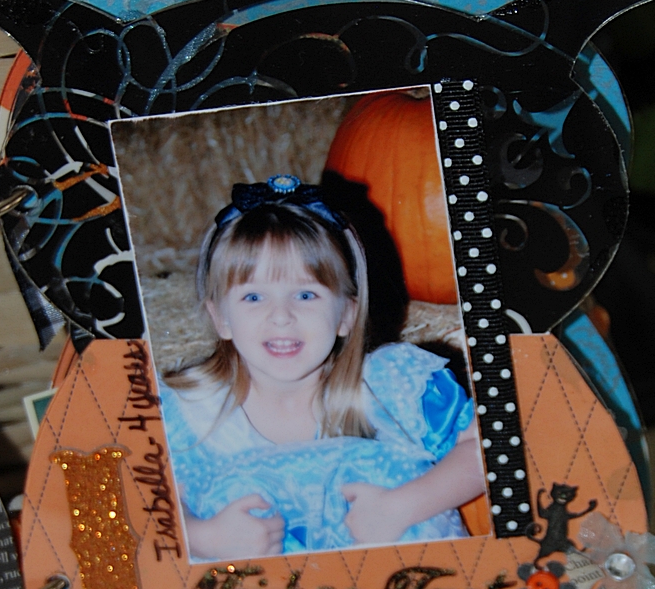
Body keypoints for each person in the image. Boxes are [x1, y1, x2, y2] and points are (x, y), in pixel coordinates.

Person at [159, 174, 485, 561]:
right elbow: (145, 499)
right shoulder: (191, 412)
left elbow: (486, 448)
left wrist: (402, 506)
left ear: (346, 314)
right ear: (220, 318)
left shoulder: (390, 387)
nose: (281, 316)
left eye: (305, 294)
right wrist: (199, 536)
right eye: (254, 297)